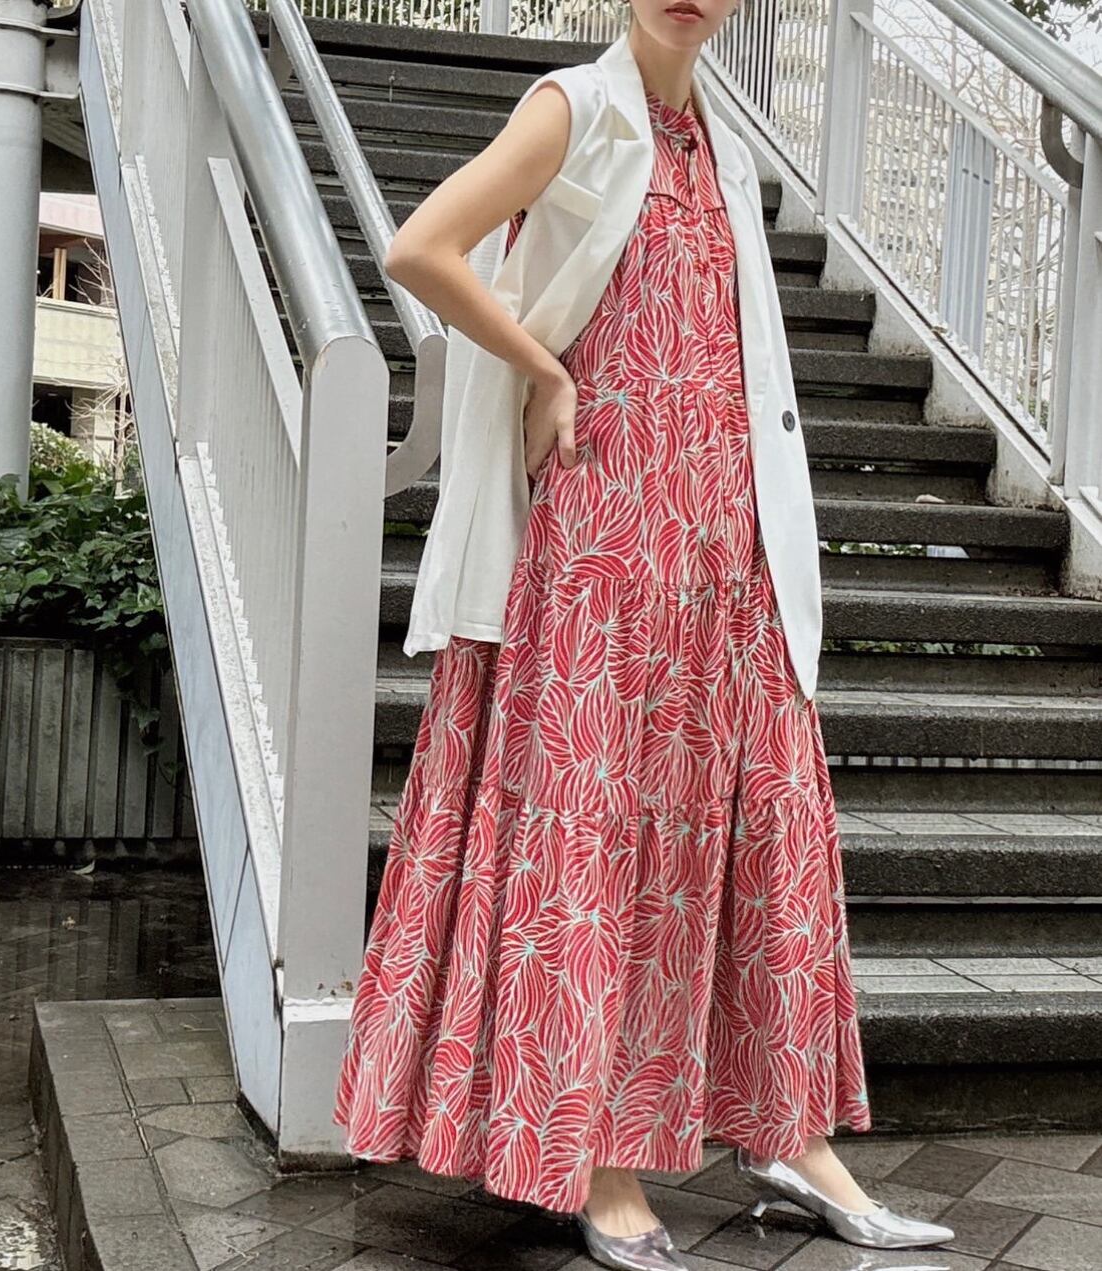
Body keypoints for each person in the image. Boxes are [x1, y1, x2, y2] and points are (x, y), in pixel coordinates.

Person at [332, 0, 956, 1266]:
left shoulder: (721, 138)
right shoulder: (575, 105)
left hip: (726, 544)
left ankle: (790, 1134)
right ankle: (599, 1153)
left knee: (764, 832)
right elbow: (422, 247)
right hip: (604, 539)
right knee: (600, 834)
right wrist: (545, 367)